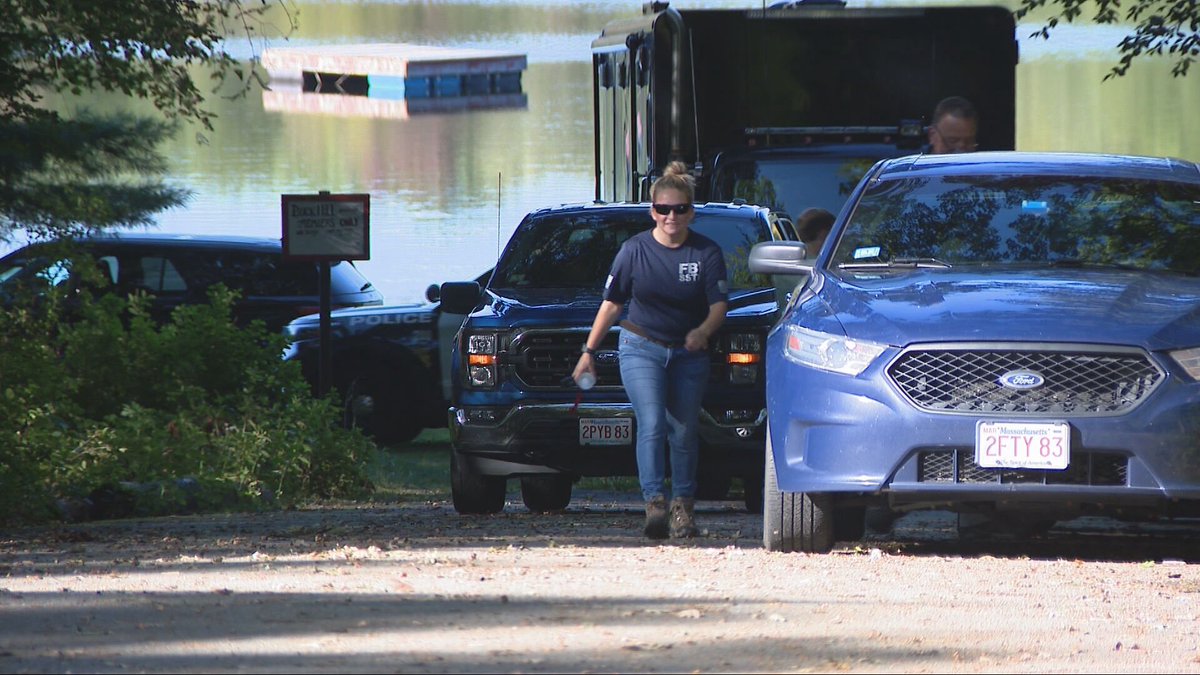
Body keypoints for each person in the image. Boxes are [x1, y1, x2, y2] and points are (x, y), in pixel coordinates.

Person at [572, 160, 729, 540]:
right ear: (653, 211)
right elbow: (612, 305)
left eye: (679, 209)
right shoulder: (633, 251)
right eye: (663, 209)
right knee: (653, 422)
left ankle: (683, 509)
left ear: (691, 212)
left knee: (684, 431)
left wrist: (703, 331)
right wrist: (588, 351)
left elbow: (719, 306)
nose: (671, 216)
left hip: (688, 354)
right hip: (641, 346)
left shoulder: (706, 253)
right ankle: (654, 503)